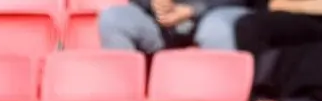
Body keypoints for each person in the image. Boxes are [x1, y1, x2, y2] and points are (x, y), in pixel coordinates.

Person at [98, 0, 248, 55]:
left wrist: (193, 9)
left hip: (214, 13)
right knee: (113, 19)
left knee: (216, 30)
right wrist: (154, 4)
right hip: (161, 25)